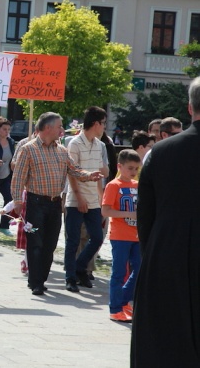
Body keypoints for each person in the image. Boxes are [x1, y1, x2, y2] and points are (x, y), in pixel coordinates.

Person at [131, 77, 200, 366]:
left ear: (189, 108)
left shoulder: (159, 152)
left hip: (167, 254)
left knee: (164, 344)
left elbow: (145, 215)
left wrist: (153, 254)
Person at [11, 112, 102, 295]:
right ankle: (35, 281)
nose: (62, 130)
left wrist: (89, 175)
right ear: (48, 128)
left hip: (54, 204)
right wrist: (17, 201)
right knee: (35, 241)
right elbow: (18, 178)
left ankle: (41, 279)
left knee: (50, 244)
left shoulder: (61, 150)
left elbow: (74, 170)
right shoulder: (28, 149)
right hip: (35, 203)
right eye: (59, 126)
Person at [63, 106, 109, 292]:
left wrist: (101, 199)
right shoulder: (74, 143)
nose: (104, 127)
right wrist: (79, 198)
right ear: (96, 123)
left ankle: (80, 267)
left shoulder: (99, 144)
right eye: (103, 123)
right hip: (76, 200)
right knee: (73, 240)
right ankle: (70, 277)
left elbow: (100, 174)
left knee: (97, 238)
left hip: (93, 201)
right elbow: (71, 173)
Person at [101, 149, 140, 323]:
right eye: (130, 168)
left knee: (139, 270)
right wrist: (128, 214)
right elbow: (106, 210)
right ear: (120, 166)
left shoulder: (137, 185)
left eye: (136, 169)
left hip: (138, 236)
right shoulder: (113, 185)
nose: (133, 172)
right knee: (118, 272)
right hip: (120, 236)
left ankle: (123, 301)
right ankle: (115, 308)